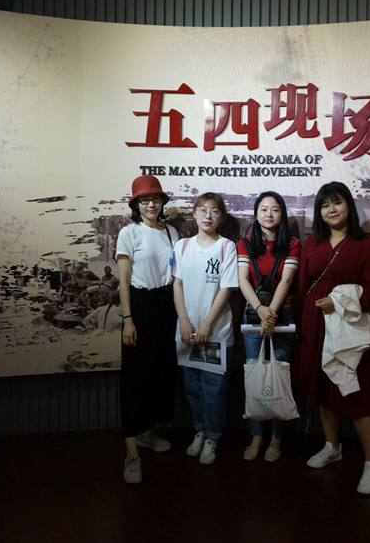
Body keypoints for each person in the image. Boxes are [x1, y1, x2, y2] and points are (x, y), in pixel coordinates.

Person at [293, 181, 370, 495]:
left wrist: (340, 302)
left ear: (349, 205)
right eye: (324, 205)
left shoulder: (366, 244)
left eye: (337, 202)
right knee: (323, 387)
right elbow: (301, 287)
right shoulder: (312, 243)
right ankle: (332, 446)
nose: (331, 209)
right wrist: (300, 325)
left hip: (349, 329)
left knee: (359, 391)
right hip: (314, 325)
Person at [115, 175, 179, 484]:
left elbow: (177, 276)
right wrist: (128, 319)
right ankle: (131, 454)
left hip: (166, 307)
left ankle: (147, 433)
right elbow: (124, 280)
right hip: (140, 307)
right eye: (144, 200)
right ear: (136, 205)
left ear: (162, 202)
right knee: (135, 378)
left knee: (159, 374)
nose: (151, 204)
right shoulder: (129, 233)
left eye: (155, 199)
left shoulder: (172, 232)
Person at [173, 192, 238, 466]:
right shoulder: (183, 246)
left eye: (214, 211)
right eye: (202, 210)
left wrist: (208, 323)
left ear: (221, 217)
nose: (208, 216)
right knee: (192, 388)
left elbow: (227, 288)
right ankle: (199, 431)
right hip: (187, 332)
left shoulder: (226, 247)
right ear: (194, 214)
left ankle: (213, 437)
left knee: (214, 389)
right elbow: (177, 283)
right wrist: (184, 320)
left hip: (216, 332)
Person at [237, 191, 300, 463]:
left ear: (282, 214)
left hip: (282, 314)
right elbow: (242, 280)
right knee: (255, 372)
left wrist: (270, 314)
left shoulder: (293, 244)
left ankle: (276, 438)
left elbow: (287, 280)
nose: (269, 214)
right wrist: (261, 311)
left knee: (279, 372)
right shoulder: (245, 244)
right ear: (256, 214)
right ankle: (256, 436)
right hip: (253, 314)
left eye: (275, 209)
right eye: (263, 209)